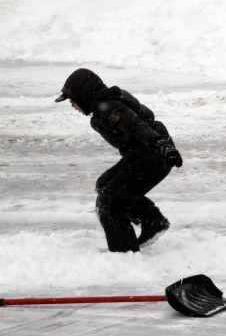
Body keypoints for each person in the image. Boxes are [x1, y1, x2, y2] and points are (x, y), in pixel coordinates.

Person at [55, 68, 182, 253]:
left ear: (83, 95)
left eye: (72, 100)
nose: (73, 105)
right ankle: (152, 221)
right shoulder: (104, 106)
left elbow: (139, 127)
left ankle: (124, 253)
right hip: (141, 157)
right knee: (105, 184)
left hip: (154, 158)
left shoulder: (111, 109)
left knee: (111, 203)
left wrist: (164, 147)